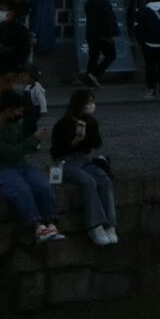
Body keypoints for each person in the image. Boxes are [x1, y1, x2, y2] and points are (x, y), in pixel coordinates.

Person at [0, 89, 64, 242]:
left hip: (21, 165)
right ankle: (37, 226)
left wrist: (35, 140)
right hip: (1, 169)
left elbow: (21, 147)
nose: (20, 115)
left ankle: (50, 222)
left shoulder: (13, 125)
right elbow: (11, 152)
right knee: (21, 190)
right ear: (7, 110)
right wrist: (34, 139)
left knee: (44, 185)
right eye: (18, 112)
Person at [50, 88, 119, 246]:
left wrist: (88, 133)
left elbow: (96, 144)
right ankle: (95, 226)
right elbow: (56, 152)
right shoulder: (63, 124)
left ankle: (110, 225)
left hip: (83, 159)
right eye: (89, 102)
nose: (92, 105)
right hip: (65, 161)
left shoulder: (90, 121)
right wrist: (73, 142)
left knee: (104, 180)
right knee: (88, 182)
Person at [82, 0, 118, 87]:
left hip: (91, 35)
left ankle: (90, 81)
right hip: (103, 36)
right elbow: (108, 20)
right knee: (111, 55)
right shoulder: (104, 3)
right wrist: (110, 35)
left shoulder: (89, 2)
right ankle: (94, 74)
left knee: (93, 57)